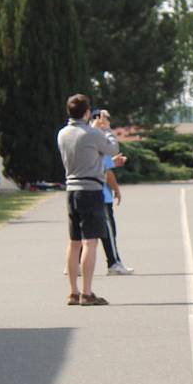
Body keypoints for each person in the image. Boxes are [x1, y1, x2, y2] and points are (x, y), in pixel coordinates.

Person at [57, 93, 119, 306]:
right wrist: (106, 129)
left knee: (74, 243)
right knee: (90, 242)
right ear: (86, 112)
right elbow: (112, 148)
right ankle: (87, 292)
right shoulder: (92, 133)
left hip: (71, 189)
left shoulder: (63, 133)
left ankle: (73, 291)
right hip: (90, 189)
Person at [91, 109, 133, 276]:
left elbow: (104, 165)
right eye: (105, 118)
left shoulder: (84, 138)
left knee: (83, 232)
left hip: (89, 190)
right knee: (108, 230)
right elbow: (106, 170)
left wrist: (113, 163)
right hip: (100, 192)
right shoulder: (99, 139)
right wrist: (116, 189)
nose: (108, 122)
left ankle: (75, 263)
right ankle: (114, 262)